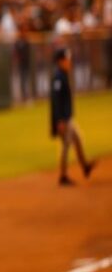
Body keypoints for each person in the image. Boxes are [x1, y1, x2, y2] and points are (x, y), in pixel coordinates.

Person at [50, 47, 97, 186]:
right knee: (66, 145)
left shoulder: (63, 74)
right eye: (66, 59)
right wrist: (60, 120)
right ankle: (63, 176)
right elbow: (56, 101)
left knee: (77, 139)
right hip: (63, 119)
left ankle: (85, 166)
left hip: (67, 118)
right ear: (60, 61)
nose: (69, 61)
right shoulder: (58, 77)